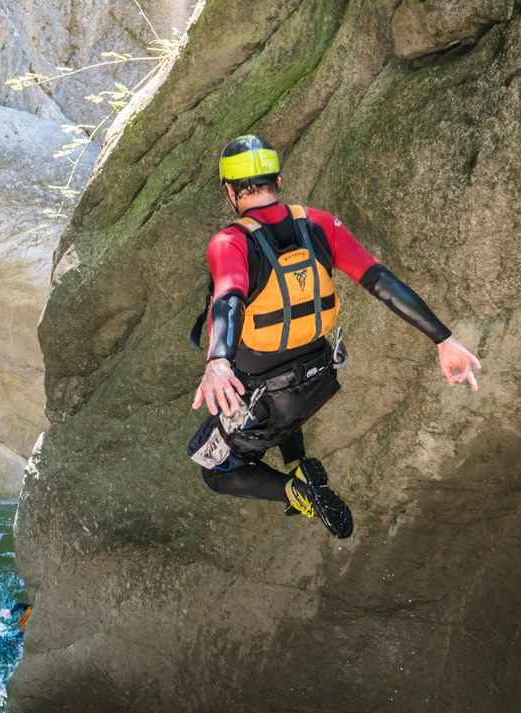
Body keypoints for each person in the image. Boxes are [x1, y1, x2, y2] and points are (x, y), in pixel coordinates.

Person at [187, 135, 482, 539]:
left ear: (229, 191)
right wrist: (443, 340)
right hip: (316, 377)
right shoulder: (319, 223)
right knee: (280, 402)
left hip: (262, 397)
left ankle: (297, 491)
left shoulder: (230, 242)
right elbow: (381, 281)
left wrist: (217, 361)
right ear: (278, 179)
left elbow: (229, 299)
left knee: (215, 470)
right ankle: (298, 463)